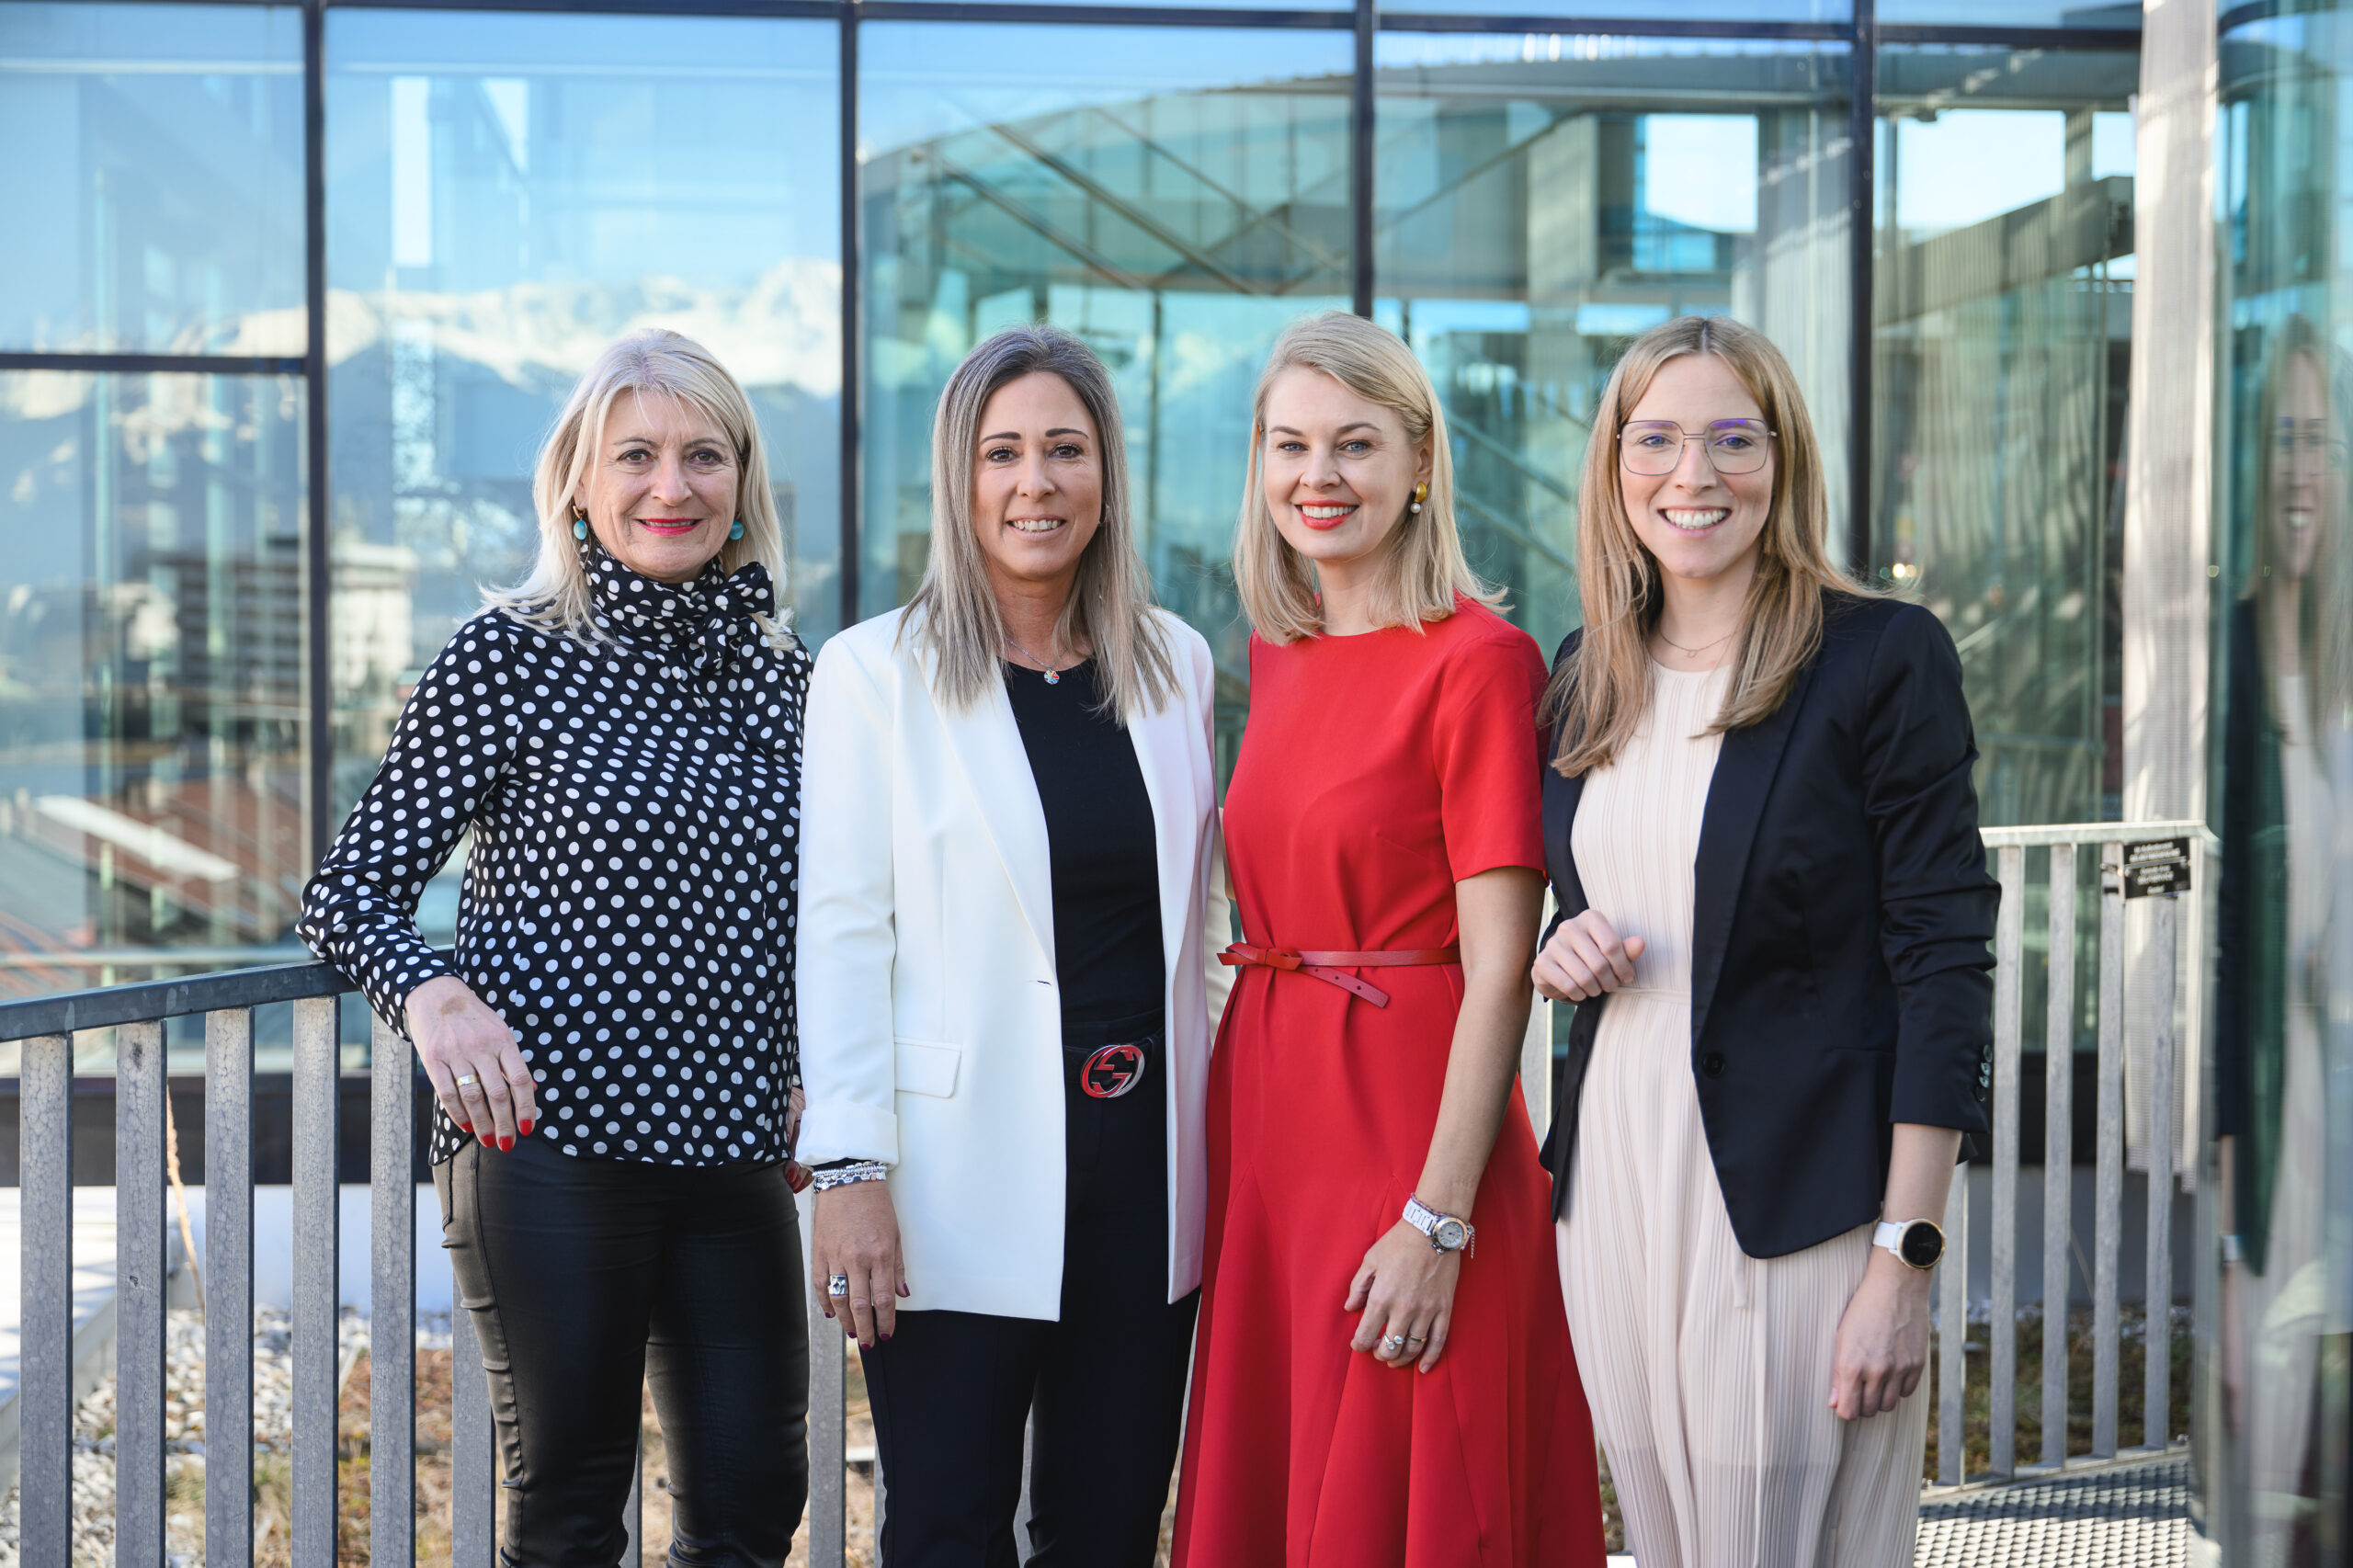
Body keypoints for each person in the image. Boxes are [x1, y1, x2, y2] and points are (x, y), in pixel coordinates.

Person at [298, 328, 812, 1565]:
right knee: (573, 1514)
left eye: (703, 455)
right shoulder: (508, 657)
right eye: (634, 454)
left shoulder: (787, 680)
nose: (670, 486)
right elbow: (350, 885)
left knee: (754, 1504)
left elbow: (822, 907)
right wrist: (431, 993)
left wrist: (814, 1059)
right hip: (552, 1144)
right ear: (577, 480)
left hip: (738, 1147)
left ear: (742, 482)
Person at [1532, 314, 1995, 1566]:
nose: (1696, 476)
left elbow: (1944, 961)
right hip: (1616, 1186)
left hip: (1794, 1205)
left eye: (1734, 439)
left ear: (1783, 462)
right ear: (1615, 465)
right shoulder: (1584, 675)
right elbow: (1611, 899)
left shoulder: (1879, 658)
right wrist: (1558, 950)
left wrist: (1906, 1258)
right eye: (1660, 439)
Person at [1172, 311, 1605, 1568]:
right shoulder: (1276, 655)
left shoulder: (1482, 661)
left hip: (1412, 1135)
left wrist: (1439, 1216)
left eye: (1355, 444)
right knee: (1284, 1478)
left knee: (1411, 1493)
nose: (1321, 476)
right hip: (1273, 1126)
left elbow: (1500, 977)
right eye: (1291, 444)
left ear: (1420, 461)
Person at [796, 324, 1229, 1568]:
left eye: (1064, 450)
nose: (1035, 483)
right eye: (1002, 453)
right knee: (944, 1527)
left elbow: (1200, 922)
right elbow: (840, 931)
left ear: (1107, 474)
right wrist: (848, 1166)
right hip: (948, 1180)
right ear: (959, 477)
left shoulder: (1177, 663)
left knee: (1104, 1529)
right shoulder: (873, 672)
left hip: (1146, 1174)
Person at [2217, 314, 2346, 1568]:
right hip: (2290, 1091)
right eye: (2279, 440)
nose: (2300, 468)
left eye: (2321, 439)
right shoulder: (2234, 653)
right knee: (2282, 1406)